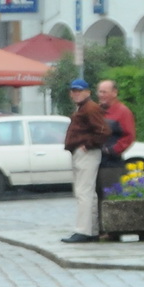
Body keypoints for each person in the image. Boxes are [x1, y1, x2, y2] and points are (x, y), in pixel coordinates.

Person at [62, 79, 110, 243]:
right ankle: (92, 230)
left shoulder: (89, 108)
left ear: (87, 92)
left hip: (87, 153)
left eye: (79, 90)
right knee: (88, 193)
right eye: (73, 91)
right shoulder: (85, 107)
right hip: (84, 153)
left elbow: (104, 131)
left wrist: (88, 145)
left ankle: (83, 231)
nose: (76, 93)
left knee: (83, 192)